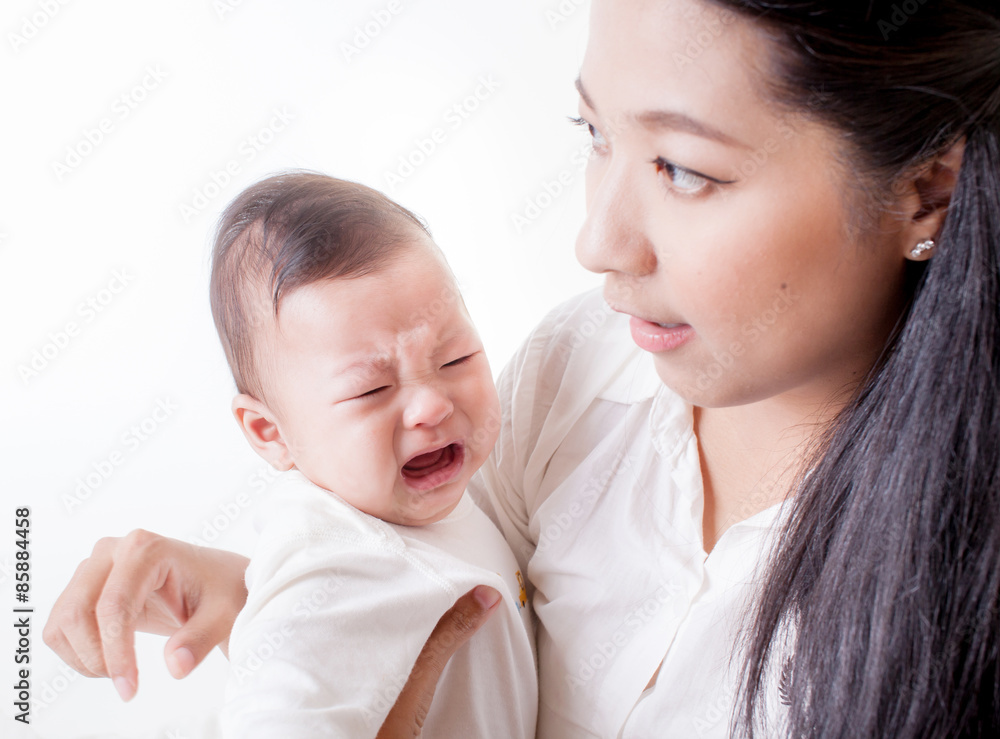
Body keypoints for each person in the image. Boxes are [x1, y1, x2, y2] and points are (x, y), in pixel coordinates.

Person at [43, 0, 1000, 736]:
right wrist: (265, 586)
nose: (597, 242)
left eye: (683, 169)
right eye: (594, 136)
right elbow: (445, 570)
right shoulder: (584, 365)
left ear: (925, 191)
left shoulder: (964, 566)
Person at [207, 172, 535, 737]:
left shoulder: (440, 499)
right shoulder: (333, 561)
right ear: (270, 432)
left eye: (455, 357)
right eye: (371, 391)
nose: (431, 404)